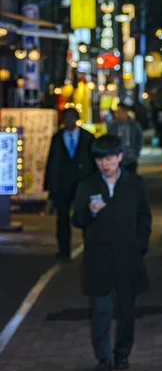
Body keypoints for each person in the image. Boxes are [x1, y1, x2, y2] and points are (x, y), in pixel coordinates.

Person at [73, 135, 152, 371]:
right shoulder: (87, 185)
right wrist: (90, 212)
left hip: (128, 257)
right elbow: (77, 220)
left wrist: (139, 245)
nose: (104, 164)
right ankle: (104, 358)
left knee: (127, 311)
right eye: (99, 159)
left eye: (109, 158)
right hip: (99, 258)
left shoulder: (135, 183)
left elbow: (144, 217)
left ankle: (122, 353)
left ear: (119, 157)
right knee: (101, 309)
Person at [44, 107, 94, 259]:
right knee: (62, 217)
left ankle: (90, 248)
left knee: (86, 215)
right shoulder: (57, 138)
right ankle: (64, 250)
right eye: (66, 118)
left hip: (83, 182)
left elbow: (92, 162)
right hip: (62, 184)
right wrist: (50, 186)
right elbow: (51, 162)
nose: (69, 121)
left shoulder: (87, 138)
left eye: (72, 118)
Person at [107, 103, 143, 174]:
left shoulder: (134, 125)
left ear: (125, 112)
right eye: (116, 112)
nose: (117, 115)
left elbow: (139, 140)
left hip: (131, 158)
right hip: (117, 159)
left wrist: (136, 154)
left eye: (119, 112)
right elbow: (109, 140)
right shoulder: (112, 125)